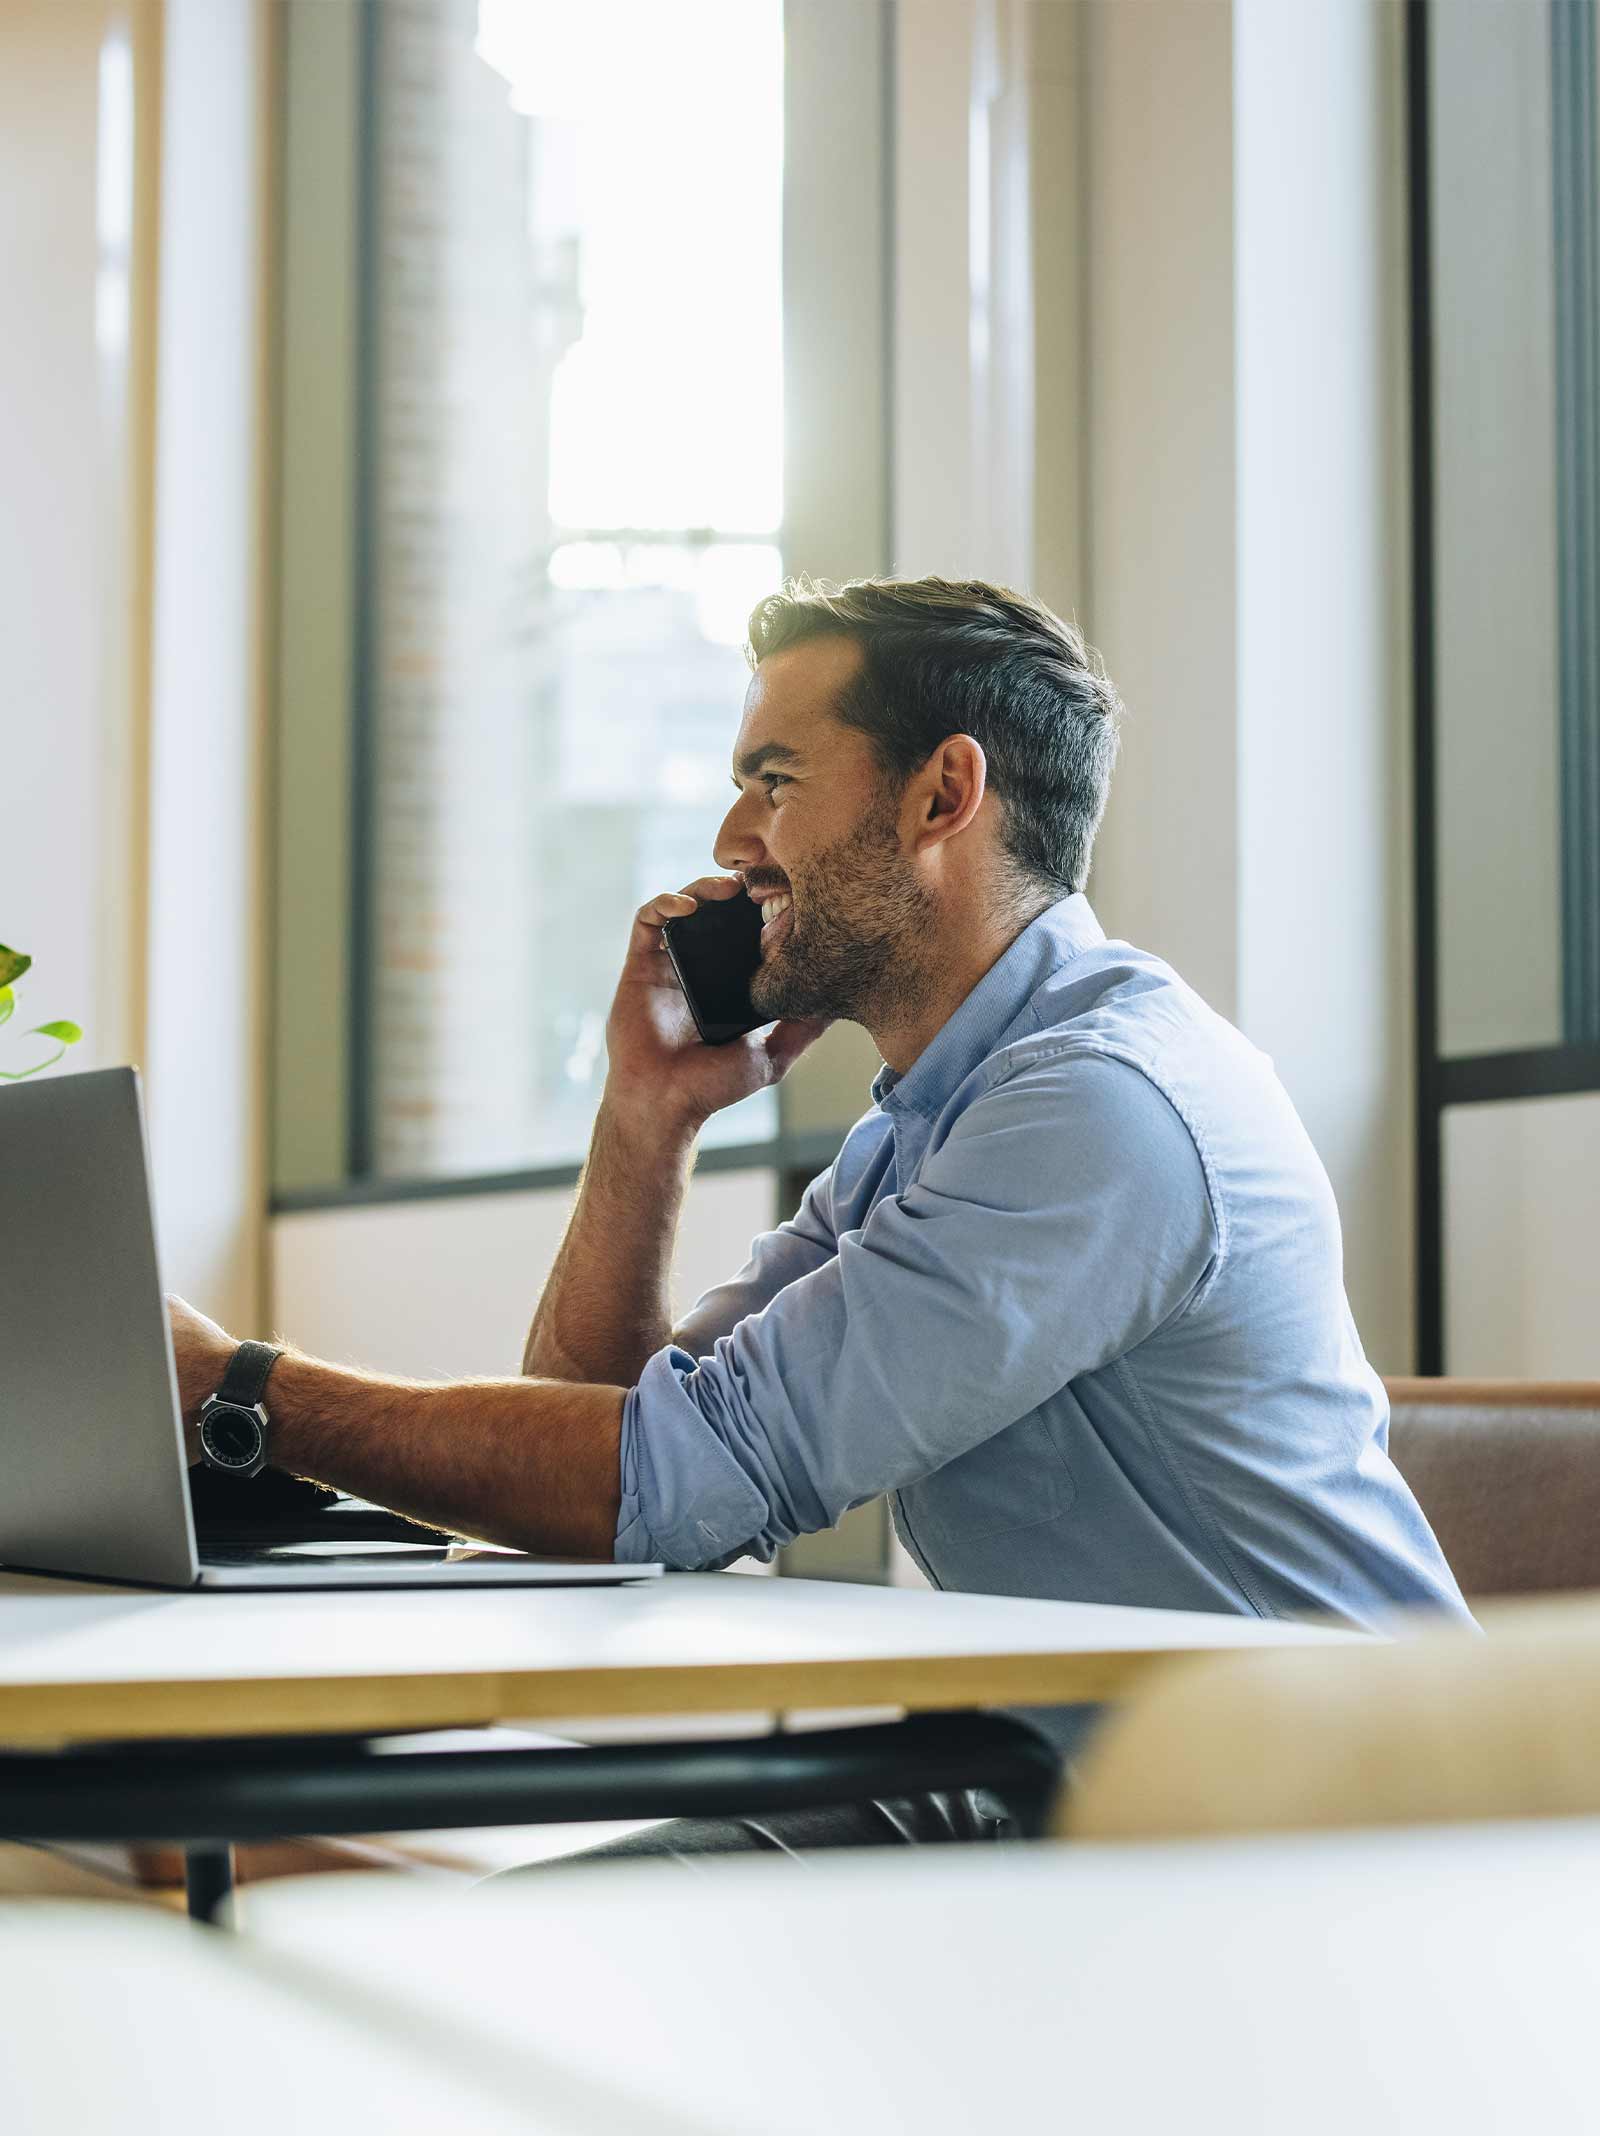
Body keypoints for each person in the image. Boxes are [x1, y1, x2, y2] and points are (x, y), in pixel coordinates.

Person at [168, 575, 1470, 1857]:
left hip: (1314, 1826)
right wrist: (648, 1117)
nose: (734, 839)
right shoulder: (924, 1125)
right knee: (544, 1947)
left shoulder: (1100, 1110)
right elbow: (612, 1451)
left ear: (941, 796)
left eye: (774, 780)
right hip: (1053, 1779)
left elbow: (672, 1488)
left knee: (568, 1972)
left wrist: (242, 1392)